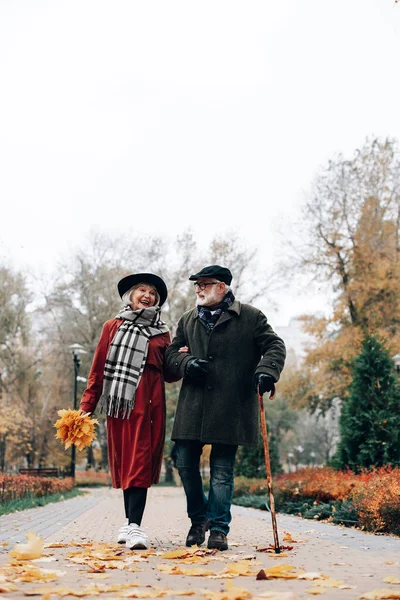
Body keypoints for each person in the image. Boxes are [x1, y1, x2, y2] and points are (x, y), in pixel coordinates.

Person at [165, 265, 286, 551]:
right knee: (184, 464)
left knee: (222, 471)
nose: (198, 290)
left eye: (204, 285)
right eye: (197, 285)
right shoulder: (187, 319)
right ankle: (199, 521)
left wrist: (267, 371)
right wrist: (186, 364)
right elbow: (171, 355)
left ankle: (218, 529)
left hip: (230, 407)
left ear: (222, 287)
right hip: (192, 407)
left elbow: (275, 346)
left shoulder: (251, 317)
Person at [80, 272, 175, 550]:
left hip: (151, 404)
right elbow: (97, 369)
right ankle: (129, 522)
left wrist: (180, 356)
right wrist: (87, 406)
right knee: (127, 462)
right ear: (130, 296)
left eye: (153, 293)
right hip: (121, 405)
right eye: (142, 290)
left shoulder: (162, 332)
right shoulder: (112, 326)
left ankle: (134, 525)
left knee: (141, 462)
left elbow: (169, 375)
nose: (148, 296)